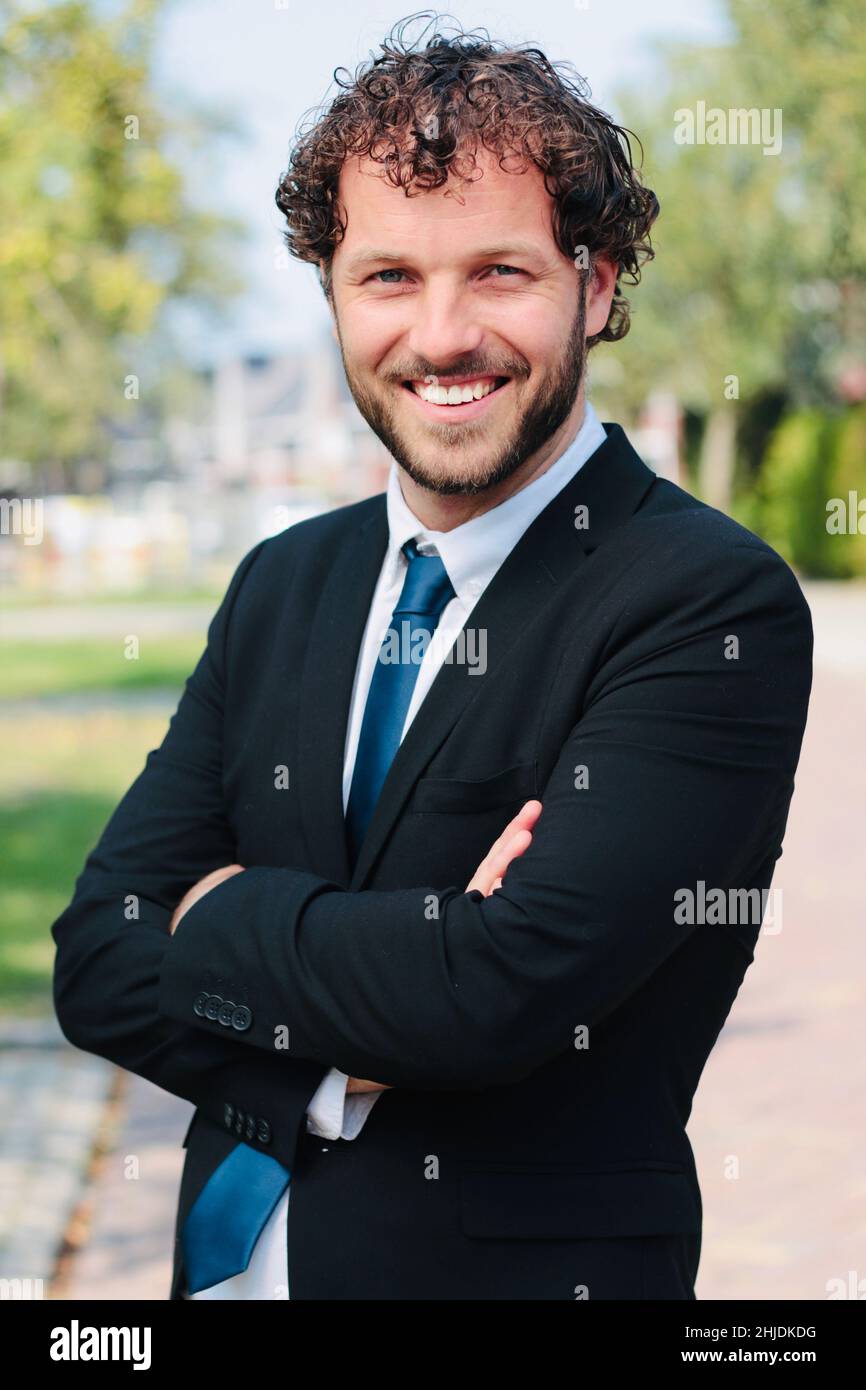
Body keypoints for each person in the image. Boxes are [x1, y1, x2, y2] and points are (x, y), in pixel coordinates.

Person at [51, 16, 812, 1300]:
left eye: (499, 273)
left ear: (599, 283)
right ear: (332, 291)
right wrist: (376, 1008)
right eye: (389, 277)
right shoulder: (285, 579)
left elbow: (494, 995)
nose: (442, 335)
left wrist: (216, 912)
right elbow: (96, 956)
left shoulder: (701, 602)